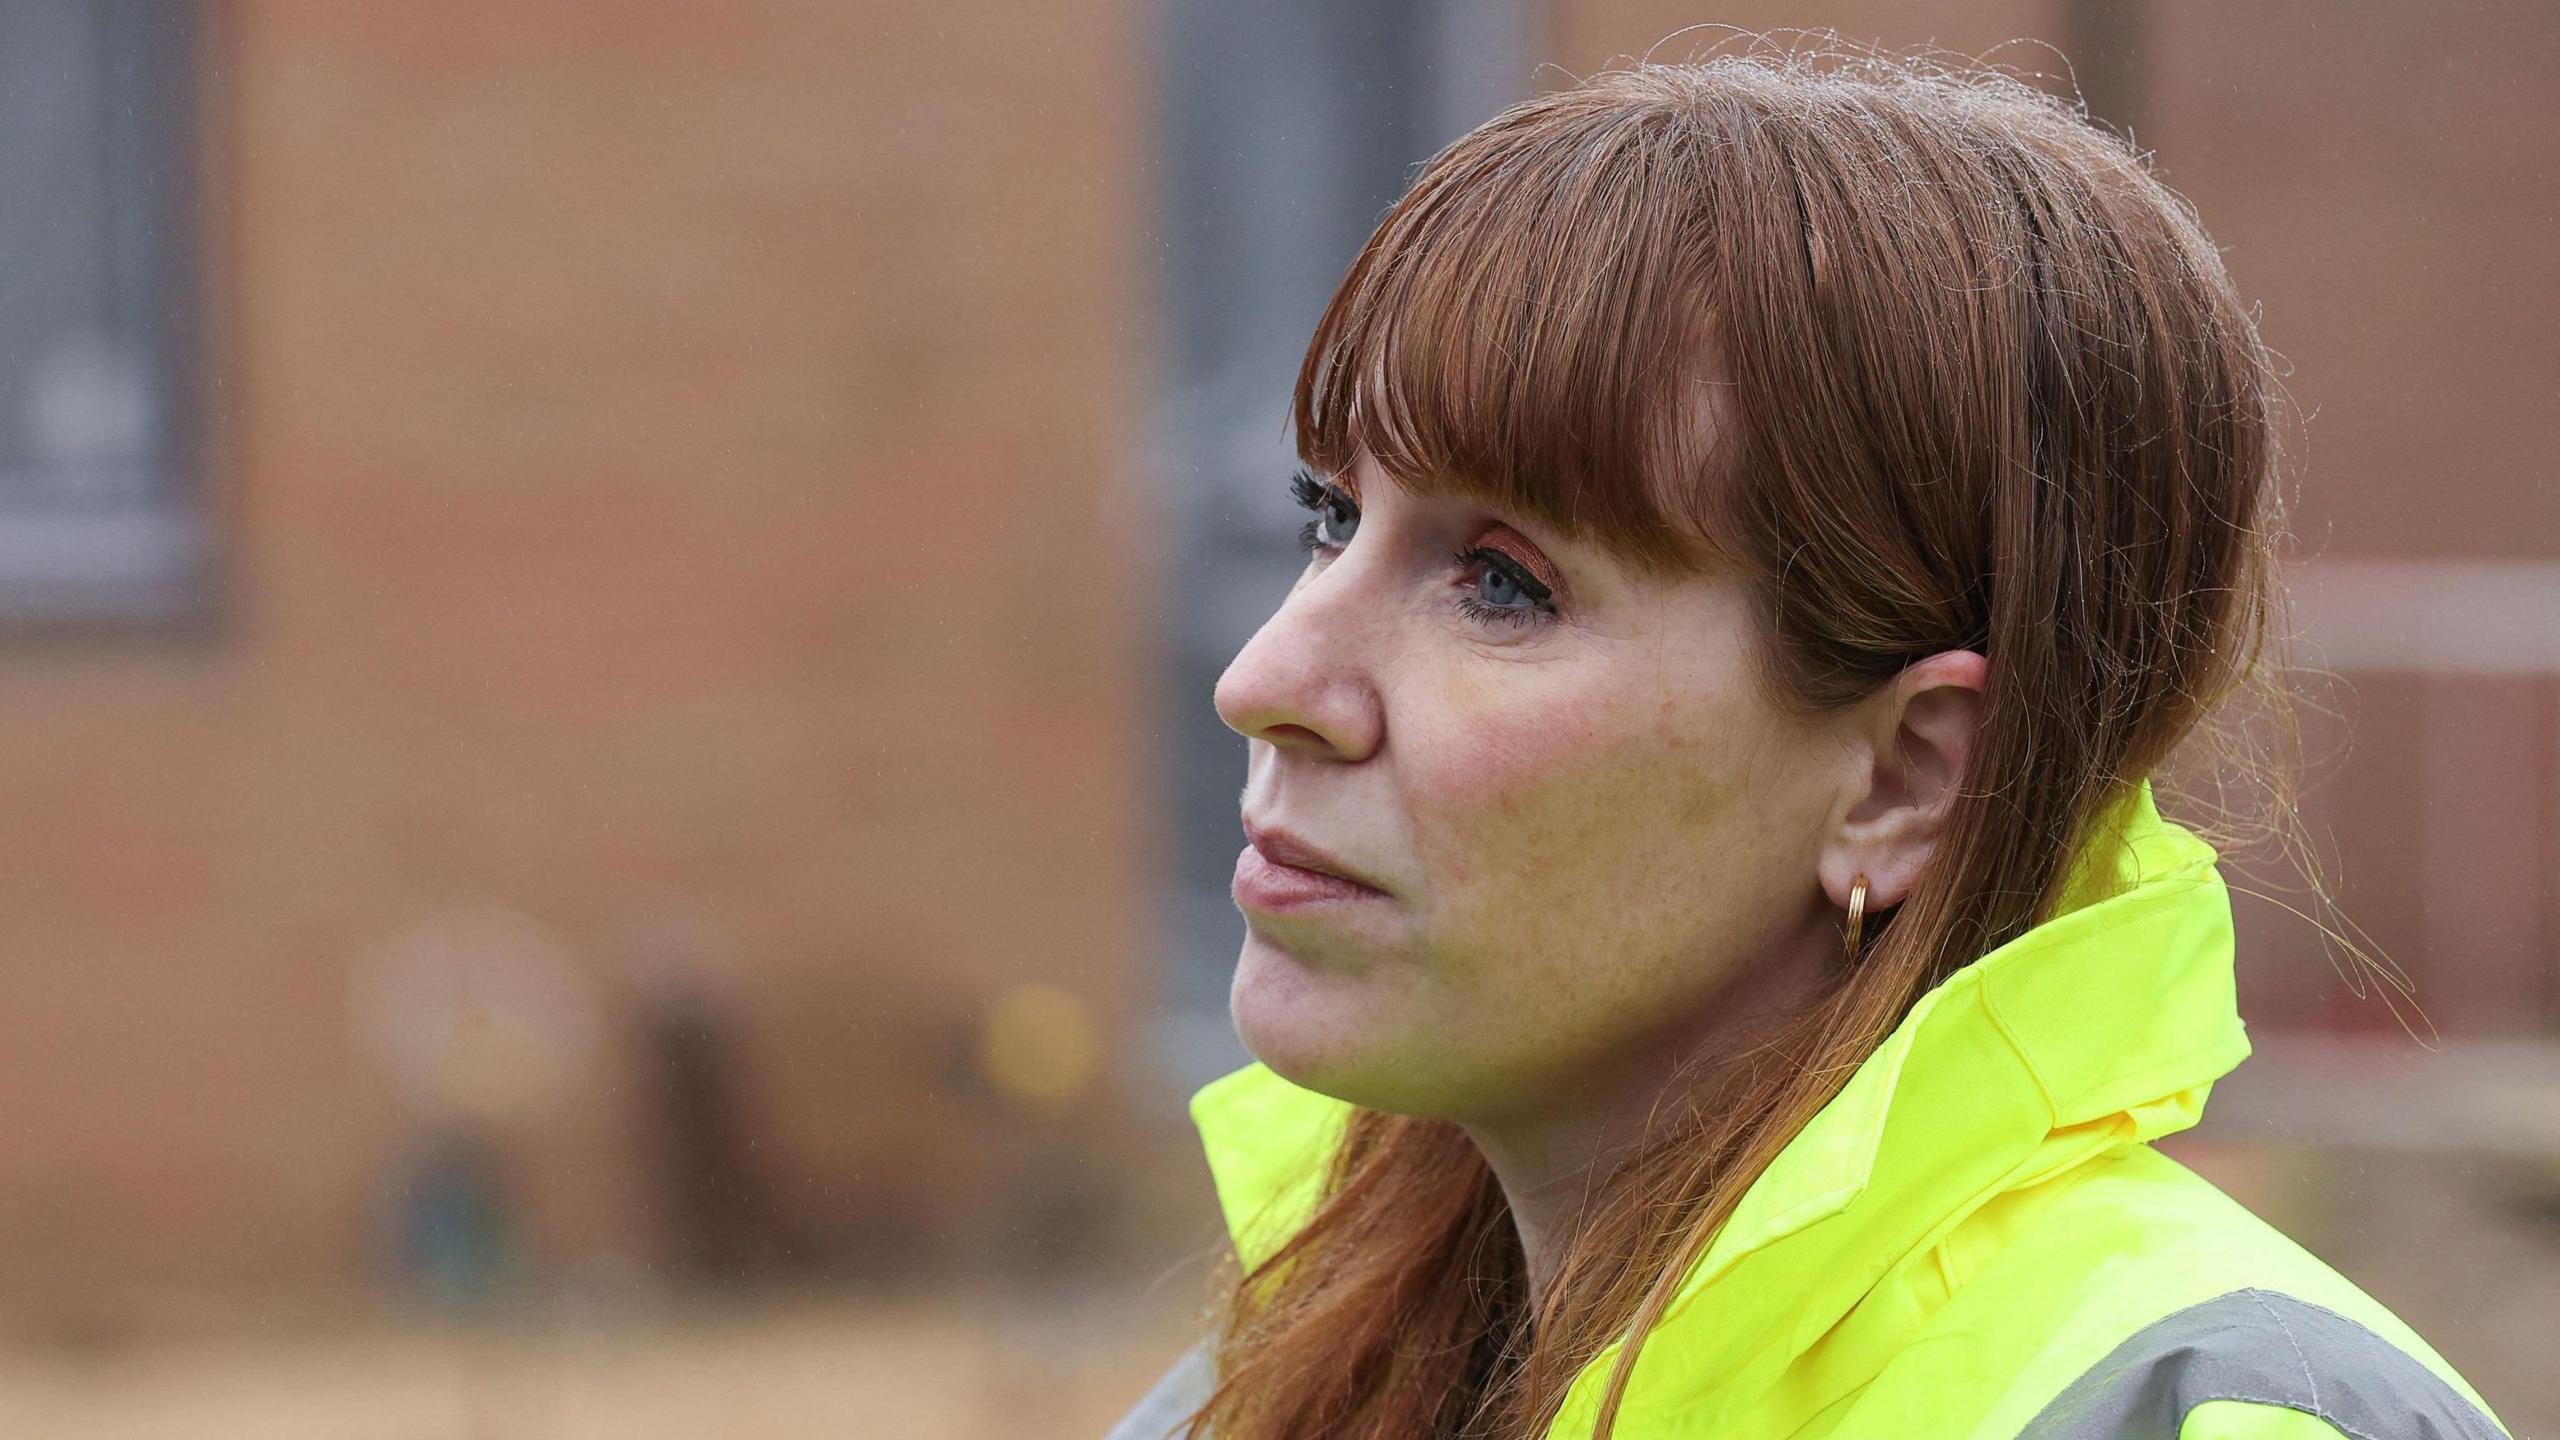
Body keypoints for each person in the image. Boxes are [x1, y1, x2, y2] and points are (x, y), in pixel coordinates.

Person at [1108, 42, 2516, 1440]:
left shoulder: (2210, 1420)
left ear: (1903, 780)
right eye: (1331, 519)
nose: (1266, 679)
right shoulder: (1286, 1389)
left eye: (1502, 583)